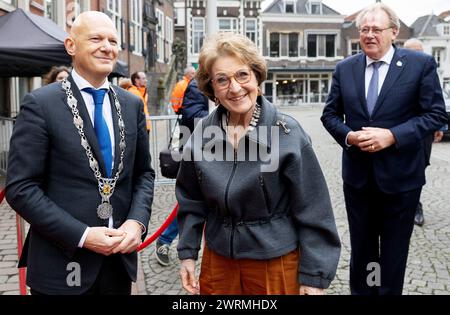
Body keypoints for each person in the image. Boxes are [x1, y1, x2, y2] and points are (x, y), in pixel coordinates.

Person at [176, 32, 341, 295]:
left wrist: (314, 276)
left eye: (242, 75)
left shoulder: (287, 132)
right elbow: (191, 201)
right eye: (222, 80)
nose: (235, 87)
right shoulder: (201, 135)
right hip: (219, 262)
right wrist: (187, 253)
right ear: (212, 89)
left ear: (257, 77)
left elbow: (313, 207)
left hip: (274, 261)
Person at [5, 11, 155, 295]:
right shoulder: (41, 104)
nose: (107, 46)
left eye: (112, 40)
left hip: (117, 263)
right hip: (62, 263)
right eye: (96, 38)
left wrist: (136, 222)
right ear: (71, 46)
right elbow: (21, 188)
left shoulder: (131, 104)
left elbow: (143, 174)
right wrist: (83, 236)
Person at [321, 3, 447, 295]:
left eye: (376, 29)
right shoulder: (345, 68)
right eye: (364, 29)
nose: (369, 35)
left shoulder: (420, 66)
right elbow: (329, 115)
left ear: (394, 32)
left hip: (401, 180)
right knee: (363, 250)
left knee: (393, 253)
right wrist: (350, 137)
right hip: (359, 179)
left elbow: (436, 115)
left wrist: (393, 135)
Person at [155, 78, 209, 266]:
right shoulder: (197, 85)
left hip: (221, 154)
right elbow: (192, 115)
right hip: (200, 155)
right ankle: (164, 240)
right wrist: (225, 114)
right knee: (192, 203)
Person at [403, 38, 444, 226]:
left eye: (419, 51)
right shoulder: (398, 72)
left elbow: (437, 101)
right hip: (401, 130)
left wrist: (438, 127)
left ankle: (415, 205)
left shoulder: (428, 69)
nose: (416, 55)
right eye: (412, 51)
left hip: (424, 132)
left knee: (420, 168)